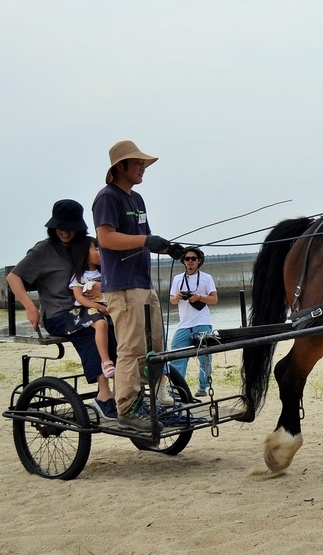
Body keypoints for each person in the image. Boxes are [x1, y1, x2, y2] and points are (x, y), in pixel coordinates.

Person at [93, 140, 184, 434]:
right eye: (137, 163)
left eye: (143, 163)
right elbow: (106, 239)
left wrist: (167, 248)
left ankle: (156, 395)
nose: (143, 168)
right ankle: (127, 408)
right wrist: (146, 241)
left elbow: (143, 238)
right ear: (120, 167)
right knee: (131, 349)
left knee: (156, 345)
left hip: (144, 283)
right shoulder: (108, 198)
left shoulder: (138, 199)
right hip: (121, 285)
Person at [6, 199, 118, 419]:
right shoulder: (43, 250)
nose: (65, 232)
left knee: (117, 329)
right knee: (91, 330)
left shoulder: (86, 244)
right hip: (59, 315)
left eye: (70, 227)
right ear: (53, 226)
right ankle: (103, 395)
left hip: (88, 309)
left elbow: (109, 266)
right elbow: (13, 277)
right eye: (61, 227)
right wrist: (30, 306)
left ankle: (124, 388)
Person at [169, 247, 218, 397]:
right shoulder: (178, 279)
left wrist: (199, 297)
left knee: (204, 356)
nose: (190, 261)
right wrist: (177, 296)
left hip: (202, 321)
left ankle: (203, 387)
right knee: (177, 355)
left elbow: (214, 299)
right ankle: (177, 388)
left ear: (199, 261)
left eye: (193, 259)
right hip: (184, 324)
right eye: (187, 259)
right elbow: (171, 300)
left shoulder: (206, 278)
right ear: (183, 261)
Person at [67, 236, 114, 379]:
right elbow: (79, 297)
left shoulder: (104, 274)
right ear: (84, 254)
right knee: (100, 324)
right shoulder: (79, 276)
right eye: (96, 249)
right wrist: (98, 307)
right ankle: (106, 361)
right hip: (86, 309)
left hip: (105, 307)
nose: (100, 252)